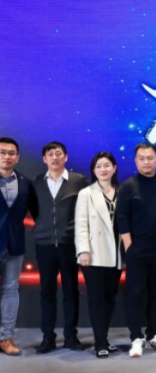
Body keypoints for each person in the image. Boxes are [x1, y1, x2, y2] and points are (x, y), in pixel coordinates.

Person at [116, 142, 156, 357]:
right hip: (137, 249)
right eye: (141, 158)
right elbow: (122, 219)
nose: (146, 162)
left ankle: (153, 335)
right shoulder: (128, 186)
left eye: (150, 158)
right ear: (135, 161)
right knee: (134, 293)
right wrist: (129, 247)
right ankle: (136, 337)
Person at [31, 141, 89, 354]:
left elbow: (86, 209)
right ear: (44, 159)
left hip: (69, 244)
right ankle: (48, 337)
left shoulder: (79, 181)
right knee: (47, 292)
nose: (54, 158)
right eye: (50, 154)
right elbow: (34, 210)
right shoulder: (37, 182)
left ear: (66, 157)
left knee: (71, 291)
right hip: (44, 244)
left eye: (58, 154)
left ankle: (71, 336)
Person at [74, 152, 123, 358]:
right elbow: (81, 224)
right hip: (93, 253)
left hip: (116, 254)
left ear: (114, 168)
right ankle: (100, 341)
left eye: (107, 165)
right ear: (93, 171)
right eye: (99, 166)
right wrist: (83, 250)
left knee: (110, 297)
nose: (103, 169)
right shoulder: (86, 193)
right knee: (96, 298)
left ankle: (104, 337)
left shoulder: (123, 191)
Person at [0, 137, 36, 356]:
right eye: (2, 152)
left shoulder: (25, 182)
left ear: (17, 157)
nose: (6, 156)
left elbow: (36, 212)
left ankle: (6, 338)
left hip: (15, 244)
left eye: (11, 153)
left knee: (11, 289)